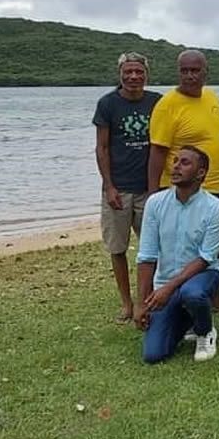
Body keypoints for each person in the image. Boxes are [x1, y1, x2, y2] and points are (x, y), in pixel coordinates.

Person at [148, 49, 219, 311]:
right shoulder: (167, 105)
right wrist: (154, 195)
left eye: (195, 70)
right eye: (184, 70)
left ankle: (216, 298)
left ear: (205, 72)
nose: (190, 76)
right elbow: (157, 152)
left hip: (217, 187)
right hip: (182, 189)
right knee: (179, 246)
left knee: (217, 248)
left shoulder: (211, 96)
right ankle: (170, 296)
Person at [135, 146, 219, 363]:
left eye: (184, 162)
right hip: (165, 283)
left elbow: (206, 258)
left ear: (201, 173)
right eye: (175, 161)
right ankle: (188, 319)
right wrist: (141, 303)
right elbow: (146, 256)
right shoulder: (155, 203)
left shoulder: (216, 208)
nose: (175, 166)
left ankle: (205, 332)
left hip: (202, 276)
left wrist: (169, 288)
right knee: (154, 354)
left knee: (192, 293)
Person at [94, 52, 162, 322]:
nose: (134, 76)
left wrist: (158, 188)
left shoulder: (157, 102)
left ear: (146, 74)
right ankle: (126, 302)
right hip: (118, 188)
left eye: (139, 72)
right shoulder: (107, 104)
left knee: (153, 247)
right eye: (128, 72)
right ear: (120, 74)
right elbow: (102, 147)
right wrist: (109, 187)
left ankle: (150, 297)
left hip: (149, 189)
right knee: (117, 248)